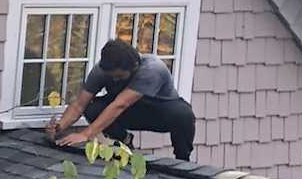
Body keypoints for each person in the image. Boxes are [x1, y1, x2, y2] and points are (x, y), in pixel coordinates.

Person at [44, 37, 196, 161]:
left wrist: (85, 134)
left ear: (134, 66)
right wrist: (59, 127)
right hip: (130, 112)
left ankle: (183, 160)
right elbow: (79, 105)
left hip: (159, 112)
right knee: (93, 108)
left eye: (119, 76)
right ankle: (123, 141)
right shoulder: (101, 71)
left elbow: (120, 105)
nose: (114, 80)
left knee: (183, 114)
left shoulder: (152, 69)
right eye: (111, 76)